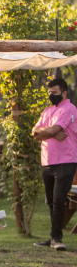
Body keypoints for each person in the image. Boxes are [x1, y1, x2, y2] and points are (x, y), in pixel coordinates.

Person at [32, 78, 77, 251]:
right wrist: (50, 133)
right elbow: (34, 132)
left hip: (66, 161)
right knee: (51, 201)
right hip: (47, 161)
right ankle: (53, 237)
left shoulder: (70, 109)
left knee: (59, 199)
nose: (51, 96)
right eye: (49, 93)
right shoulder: (47, 110)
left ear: (64, 93)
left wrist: (47, 132)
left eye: (55, 93)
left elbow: (48, 131)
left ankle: (57, 238)